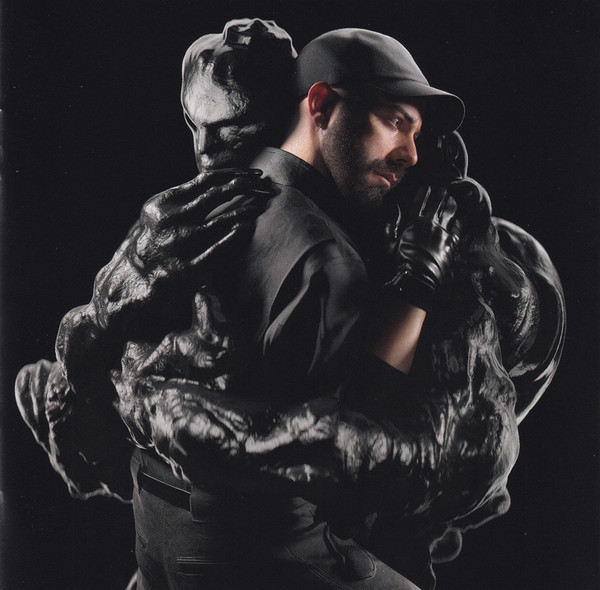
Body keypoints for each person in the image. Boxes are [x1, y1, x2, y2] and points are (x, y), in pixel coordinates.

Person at [16, 24, 565, 590]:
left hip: (156, 530)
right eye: (395, 122)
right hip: (255, 554)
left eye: (417, 134)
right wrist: (422, 283)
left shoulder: (188, 208)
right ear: (321, 106)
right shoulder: (329, 262)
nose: (410, 153)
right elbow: (360, 455)